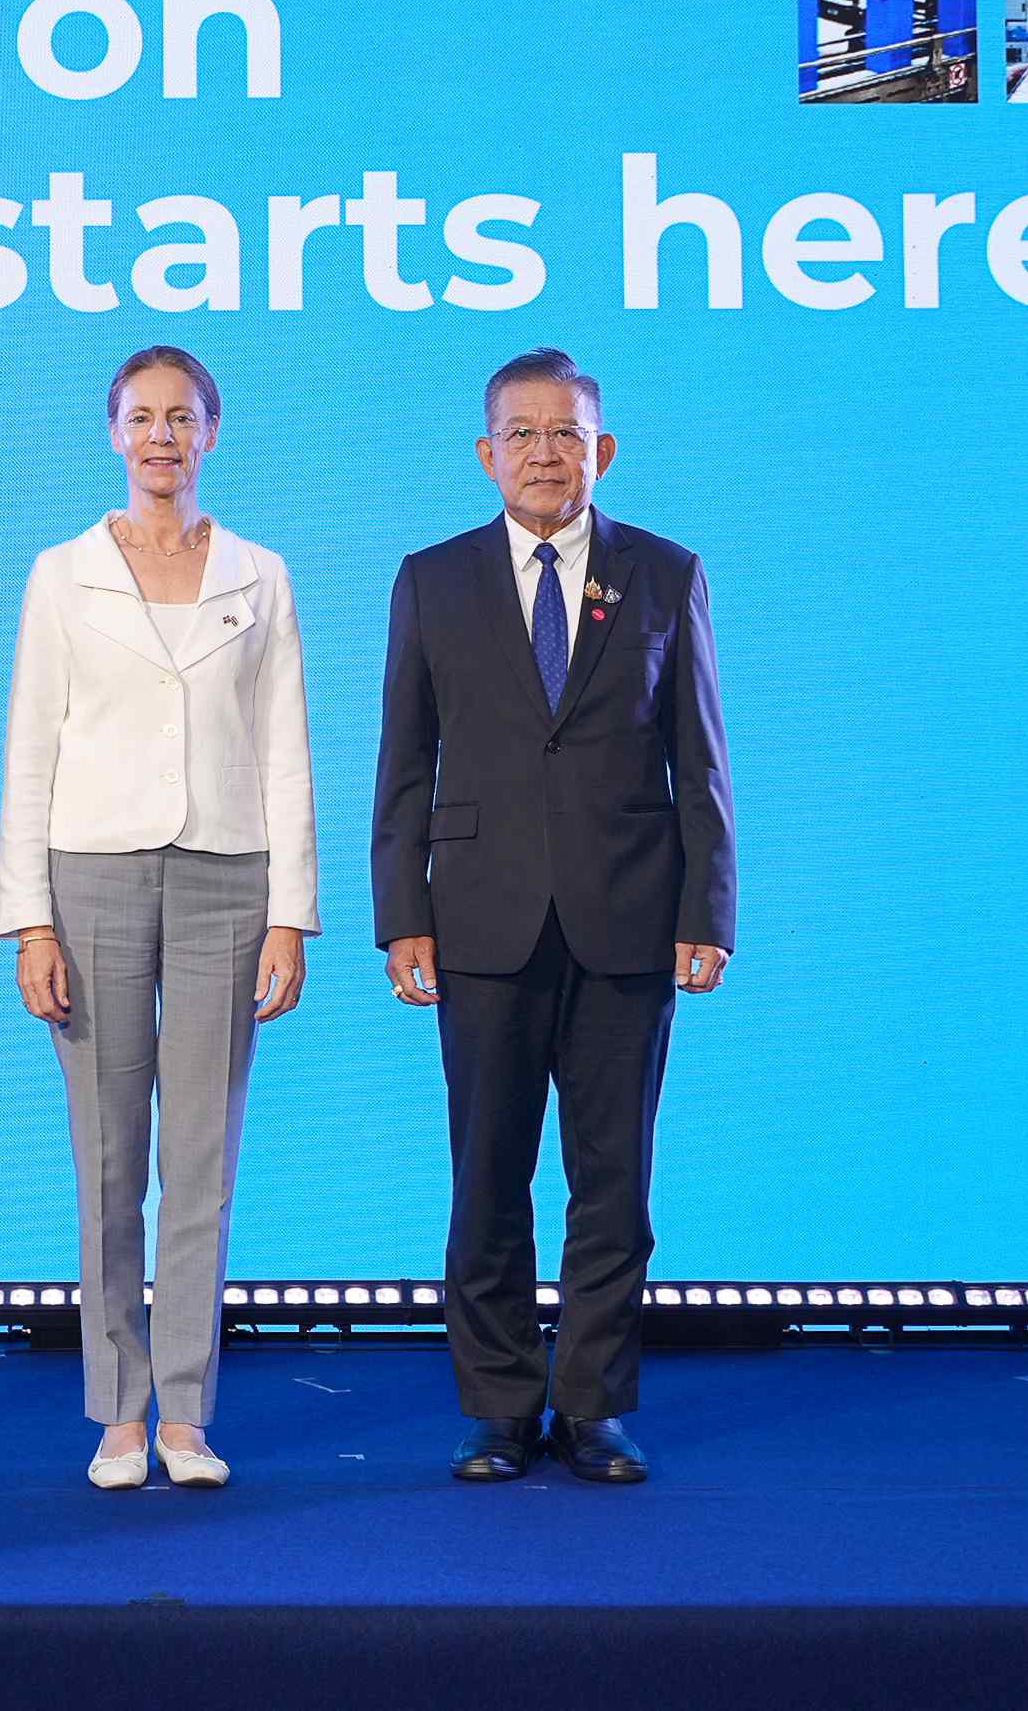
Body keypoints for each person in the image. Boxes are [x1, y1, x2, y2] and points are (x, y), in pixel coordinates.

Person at [373, 349, 733, 1488]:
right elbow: (404, 763)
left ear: (602, 450)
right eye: (522, 434)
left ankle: (592, 1407)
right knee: (487, 1177)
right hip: (479, 922)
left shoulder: (664, 573)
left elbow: (700, 756)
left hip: (629, 919)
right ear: (486, 454)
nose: (544, 453)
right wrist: (401, 915)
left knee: (612, 1183)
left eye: (566, 433)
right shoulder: (432, 579)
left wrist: (707, 908)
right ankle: (496, 1406)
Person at [0, 346, 314, 1491]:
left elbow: (284, 745)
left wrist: (292, 914)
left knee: (201, 1157)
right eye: (142, 417)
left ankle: (184, 1412)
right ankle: (117, 1413)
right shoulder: (63, 574)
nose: (162, 437)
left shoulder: (259, 575)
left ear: (212, 433)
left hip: (229, 875)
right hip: (91, 875)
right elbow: (29, 746)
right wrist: (29, 920)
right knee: (107, 1156)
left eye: (183, 417)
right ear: (113, 433)